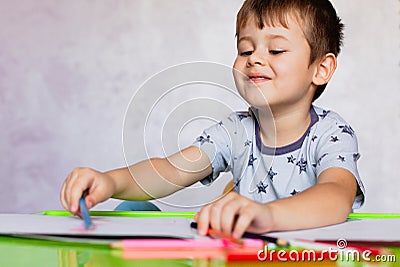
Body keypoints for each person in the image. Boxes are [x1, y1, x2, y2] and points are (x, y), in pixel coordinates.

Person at [60, 0, 365, 239]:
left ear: (321, 69)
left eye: (275, 49)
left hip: (306, 259)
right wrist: (110, 181)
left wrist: (266, 216)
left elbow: (336, 196)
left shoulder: (331, 133)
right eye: (245, 49)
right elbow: (169, 170)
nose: (255, 58)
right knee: (134, 210)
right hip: (240, 257)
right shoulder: (235, 131)